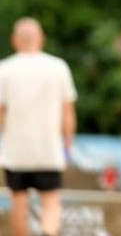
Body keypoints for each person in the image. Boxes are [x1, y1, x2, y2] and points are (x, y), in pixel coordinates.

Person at [0, 18, 77, 236]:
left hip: (16, 150)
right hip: (48, 149)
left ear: (14, 40)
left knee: (18, 200)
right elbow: (68, 113)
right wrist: (68, 144)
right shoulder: (58, 67)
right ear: (42, 38)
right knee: (51, 201)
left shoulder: (4, 69)